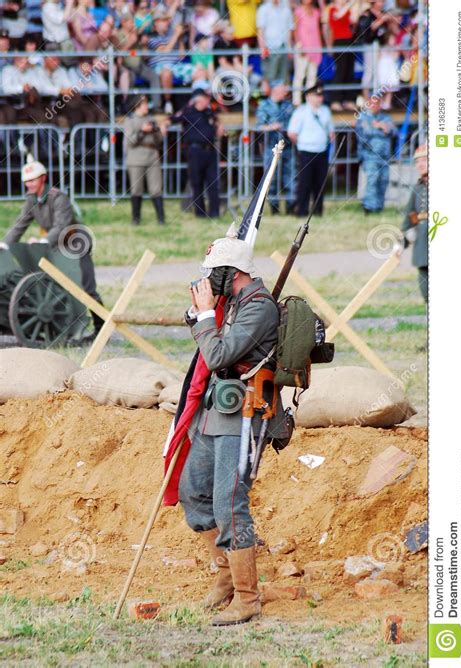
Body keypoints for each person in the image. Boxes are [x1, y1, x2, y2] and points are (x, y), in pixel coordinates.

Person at [179, 224, 288, 625]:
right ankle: (225, 577)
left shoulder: (258, 306)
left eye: (215, 273)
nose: (209, 280)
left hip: (247, 413)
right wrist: (202, 315)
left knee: (229, 503)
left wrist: (207, 315)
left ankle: (248, 598)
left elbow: (219, 352)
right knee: (194, 492)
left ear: (232, 273)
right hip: (219, 409)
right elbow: (212, 348)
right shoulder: (235, 302)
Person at [0, 155, 104, 336]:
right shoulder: (32, 200)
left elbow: (61, 226)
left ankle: (101, 328)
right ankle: (64, 325)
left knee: (85, 287)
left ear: (43, 178)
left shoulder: (58, 197)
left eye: (33, 180)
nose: (30, 185)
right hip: (56, 245)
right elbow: (20, 224)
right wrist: (4, 244)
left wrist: (43, 241)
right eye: (27, 181)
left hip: (75, 244)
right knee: (55, 284)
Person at [162, 88, 224, 218]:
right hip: (195, 151)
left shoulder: (209, 112)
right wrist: (164, 125)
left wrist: (219, 126)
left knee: (213, 183)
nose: (208, 102)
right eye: (205, 99)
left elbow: (217, 122)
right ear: (199, 100)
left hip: (210, 150)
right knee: (197, 183)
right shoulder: (188, 112)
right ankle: (200, 213)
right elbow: (171, 119)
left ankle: (214, 213)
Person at [287, 82, 334, 217]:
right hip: (306, 152)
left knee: (320, 183)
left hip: (321, 151)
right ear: (308, 96)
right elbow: (292, 133)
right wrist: (302, 145)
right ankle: (301, 211)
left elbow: (330, 132)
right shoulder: (301, 112)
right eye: (316, 95)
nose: (319, 98)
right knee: (304, 183)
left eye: (320, 95)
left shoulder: (325, 111)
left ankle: (318, 211)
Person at [123, 95, 165, 225]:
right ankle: (136, 219)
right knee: (136, 189)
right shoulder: (130, 121)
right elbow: (131, 141)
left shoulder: (151, 119)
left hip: (152, 156)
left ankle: (161, 219)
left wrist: (158, 131)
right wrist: (142, 131)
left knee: (156, 189)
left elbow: (159, 141)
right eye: (145, 104)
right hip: (136, 158)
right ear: (138, 106)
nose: (147, 106)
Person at [256, 81, 295, 215]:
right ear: (274, 91)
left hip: (288, 147)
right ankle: (275, 209)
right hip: (271, 148)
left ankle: (291, 208)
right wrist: (272, 126)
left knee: (290, 178)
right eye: (282, 90)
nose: (285, 93)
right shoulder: (264, 105)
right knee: (271, 179)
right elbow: (259, 127)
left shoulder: (288, 105)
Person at [355, 94, 395, 213]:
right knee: (372, 180)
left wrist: (382, 127)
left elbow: (393, 131)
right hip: (370, 155)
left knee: (383, 180)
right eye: (372, 103)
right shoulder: (363, 118)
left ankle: (379, 207)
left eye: (377, 103)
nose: (374, 105)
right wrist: (382, 128)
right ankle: (369, 207)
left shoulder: (386, 117)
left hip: (385, 156)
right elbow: (366, 132)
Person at [401, 144, 428, 303]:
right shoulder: (417, 188)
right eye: (417, 161)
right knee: (426, 290)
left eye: (424, 159)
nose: (420, 164)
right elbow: (411, 215)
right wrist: (403, 239)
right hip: (422, 246)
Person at [325, 0, 358, 111]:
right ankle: (335, 100)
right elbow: (338, 16)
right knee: (340, 71)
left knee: (350, 71)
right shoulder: (332, 10)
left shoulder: (347, 10)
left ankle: (349, 100)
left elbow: (354, 20)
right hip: (339, 42)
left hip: (349, 41)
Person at [292, 0, 323, 107]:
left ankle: (310, 101)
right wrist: (299, 45)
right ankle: (297, 102)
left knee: (312, 76)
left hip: (315, 46)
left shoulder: (316, 11)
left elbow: (319, 28)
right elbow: (295, 30)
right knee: (300, 75)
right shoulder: (298, 11)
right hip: (302, 47)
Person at [257, 0, 294, 89]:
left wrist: (289, 49)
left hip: (283, 47)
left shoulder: (286, 9)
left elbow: (289, 30)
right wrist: (263, 48)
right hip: (269, 48)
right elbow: (260, 30)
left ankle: (283, 100)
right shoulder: (263, 9)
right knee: (270, 77)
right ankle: (269, 100)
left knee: (284, 77)